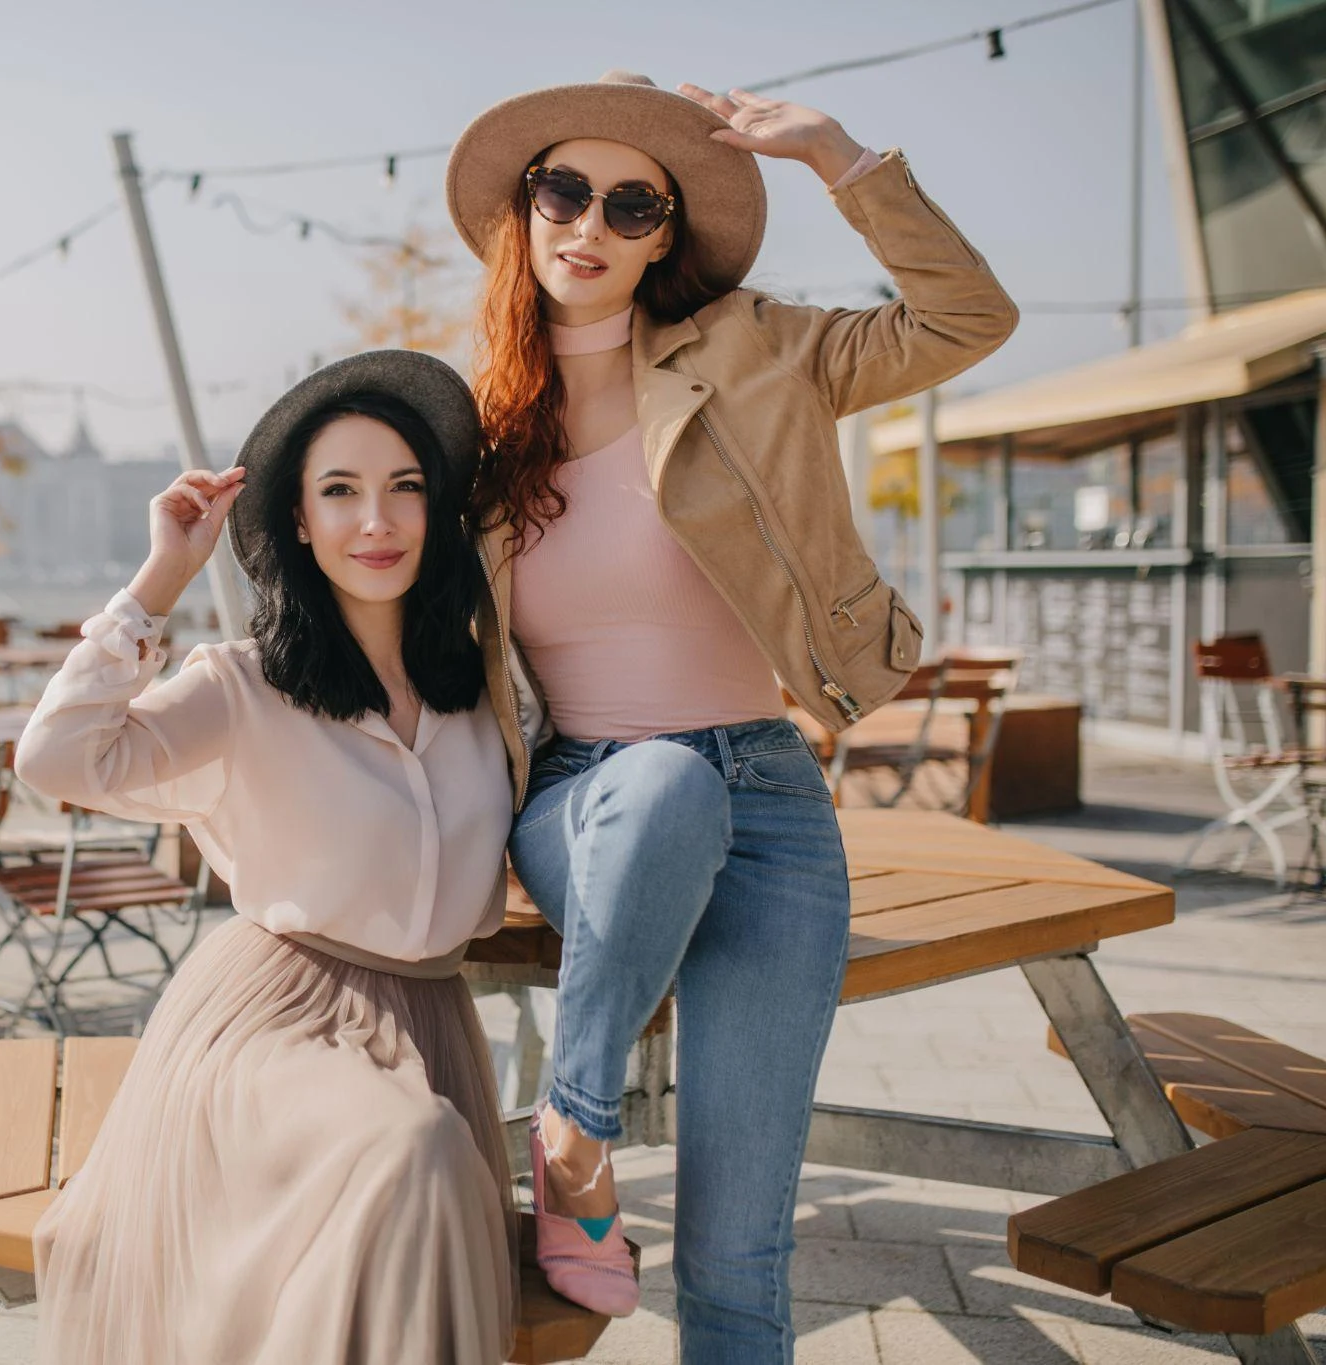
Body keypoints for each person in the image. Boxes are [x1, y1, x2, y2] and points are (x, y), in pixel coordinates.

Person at [446, 70, 1018, 1358]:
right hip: (588, 792)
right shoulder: (472, 434)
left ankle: (566, 1130)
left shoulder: (758, 351)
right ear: (522, 213)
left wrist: (840, 159)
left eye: (631, 203)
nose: (588, 223)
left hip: (768, 798)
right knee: (661, 784)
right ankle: (577, 1124)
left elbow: (968, 315)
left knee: (737, 1259)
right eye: (562, 191)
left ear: (666, 235)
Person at [15, 351, 521, 1365]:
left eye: (403, 488)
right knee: (409, 1152)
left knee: (418, 1168)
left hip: (429, 1024)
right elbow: (57, 760)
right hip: (274, 1029)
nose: (374, 521)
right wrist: (159, 581)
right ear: (297, 521)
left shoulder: (486, 694)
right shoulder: (241, 689)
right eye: (339, 492)